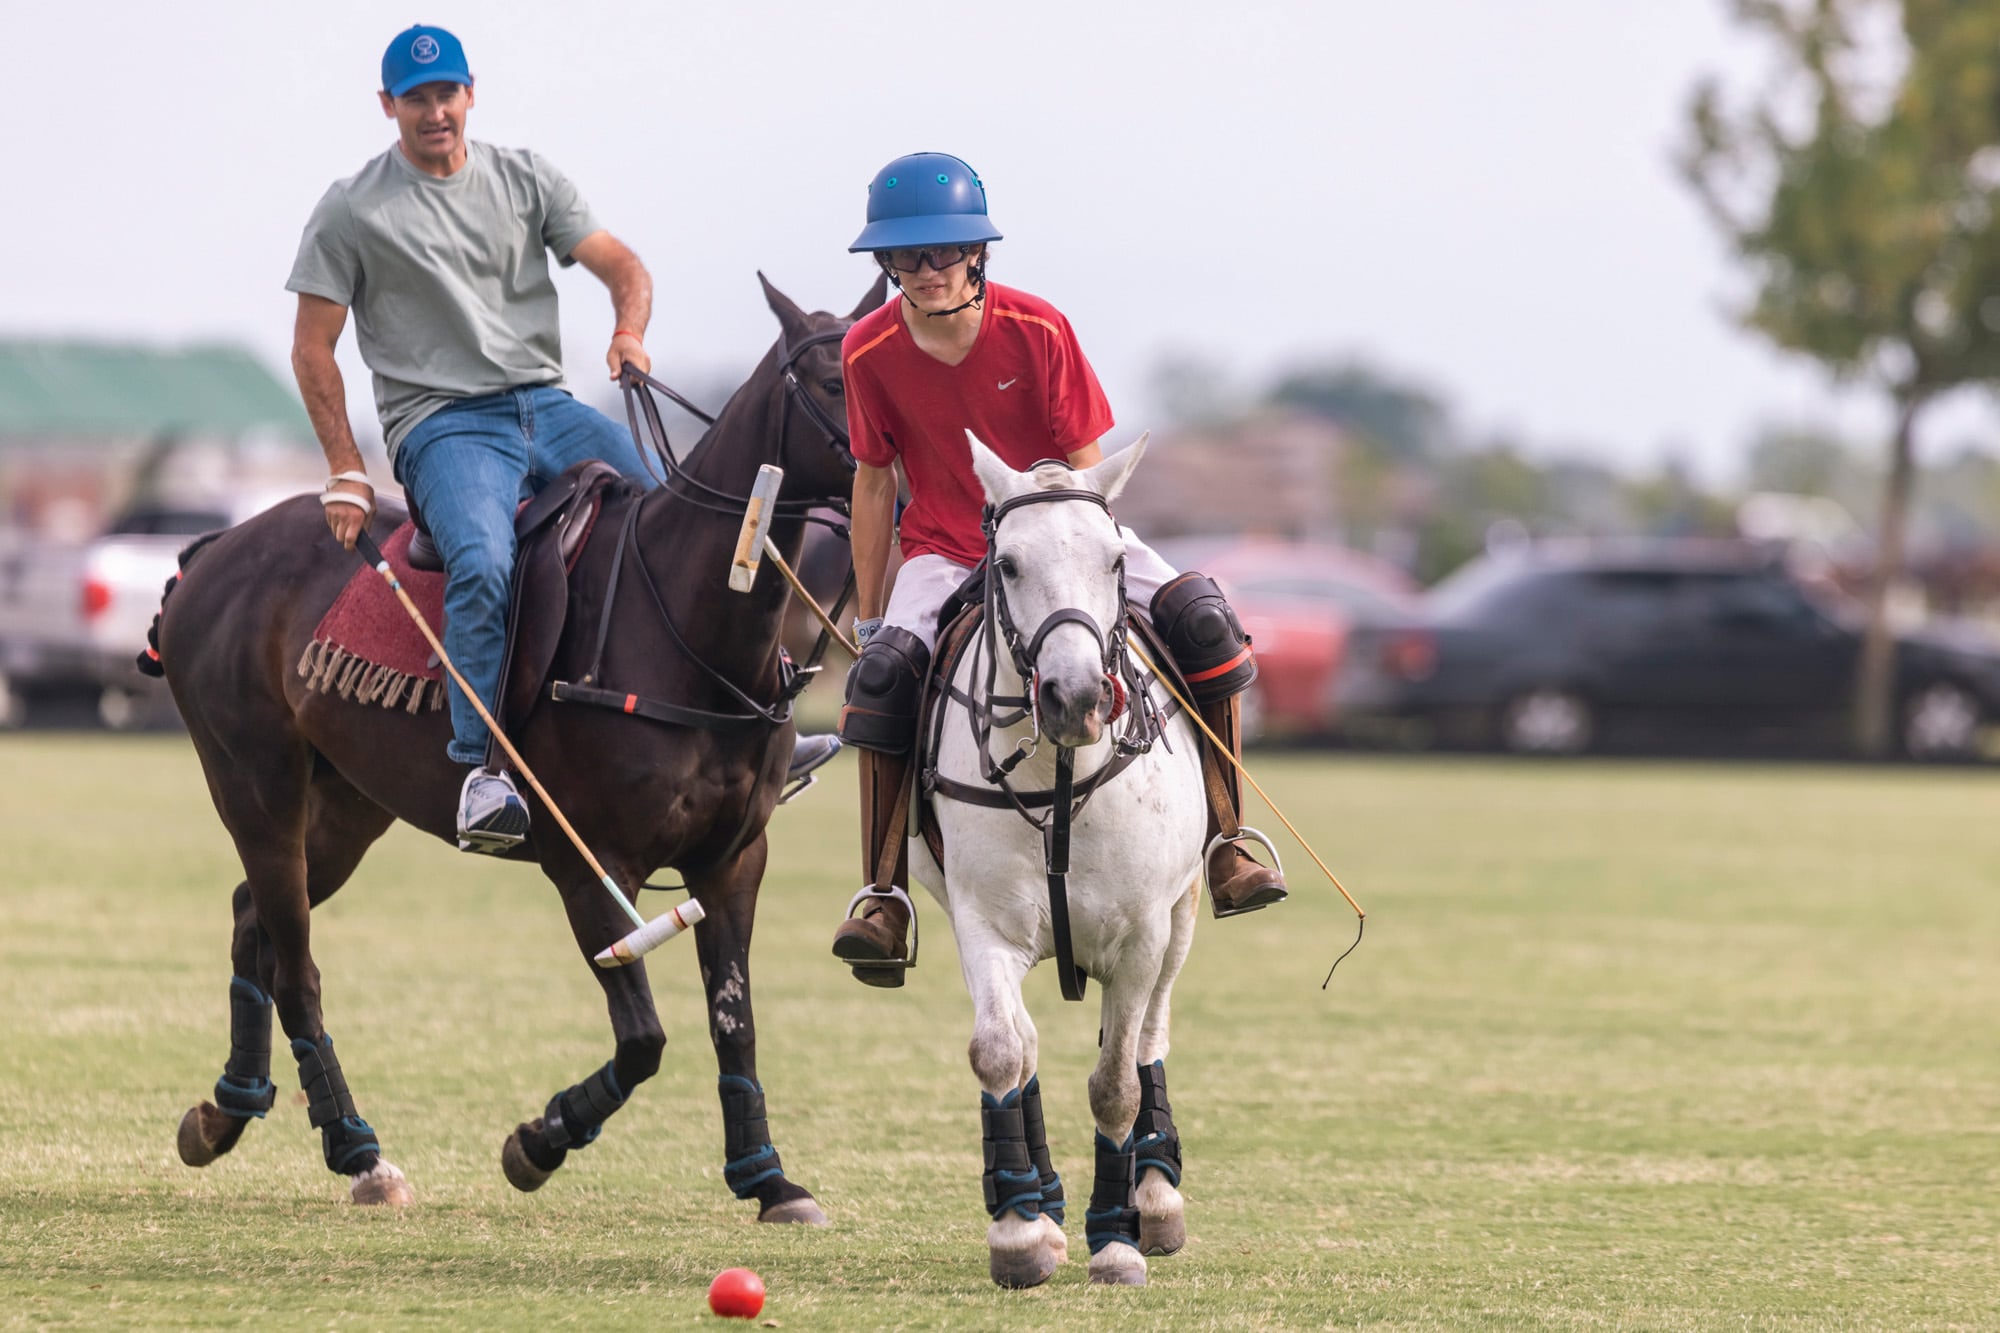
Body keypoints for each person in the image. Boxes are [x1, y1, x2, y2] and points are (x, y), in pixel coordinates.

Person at [288, 24, 836, 854]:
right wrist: (345, 468)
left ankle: (766, 728)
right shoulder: (352, 210)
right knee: (481, 559)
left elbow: (623, 266)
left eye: (447, 94)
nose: (435, 112)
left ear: (471, 92)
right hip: (443, 425)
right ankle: (480, 769)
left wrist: (629, 331)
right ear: (387, 106)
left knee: (697, 518)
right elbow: (310, 348)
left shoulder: (524, 178)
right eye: (416, 99)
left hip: (546, 405)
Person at [830, 151, 1286, 986]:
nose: (925, 272)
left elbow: (1087, 475)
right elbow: (872, 481)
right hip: (944, 544)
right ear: (885, 263)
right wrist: (870, 621)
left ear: (977, 254)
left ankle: (1226, 838)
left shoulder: (1039, 329)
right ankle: (884, 893)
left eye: (942, 253)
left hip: (1059, 539)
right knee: (885, 675)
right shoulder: (866, 352)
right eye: (904, 257)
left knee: (1206, 620)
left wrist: (1084, 569)